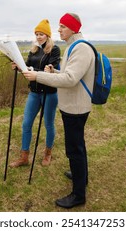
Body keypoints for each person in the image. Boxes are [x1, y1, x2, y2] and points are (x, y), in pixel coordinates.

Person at [22, 13, 95, 209]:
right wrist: (53, 72)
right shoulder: (74, 47)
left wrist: (37, 76)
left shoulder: (81, 49)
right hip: (73, 105)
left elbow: (70, 80)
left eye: (63, 26)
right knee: (78, 144)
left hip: (76, 107)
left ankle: (78, 195)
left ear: (72, 28)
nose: (59, 29)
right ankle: (82, 176)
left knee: (74, 149)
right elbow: (67, 75)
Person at [9, 19, 61, 168]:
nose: (38, 37)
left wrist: (50, 68)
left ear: (47, 36)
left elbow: (52, 67)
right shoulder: (33, 51)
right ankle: (24, 157)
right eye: (37, 34)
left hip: (49, 93)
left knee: (48, 124)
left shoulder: (54, 49)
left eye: (41, 34)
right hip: (34, 93)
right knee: (26, 124)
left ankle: (47, 153)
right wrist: (19, 67)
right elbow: (27, 68)